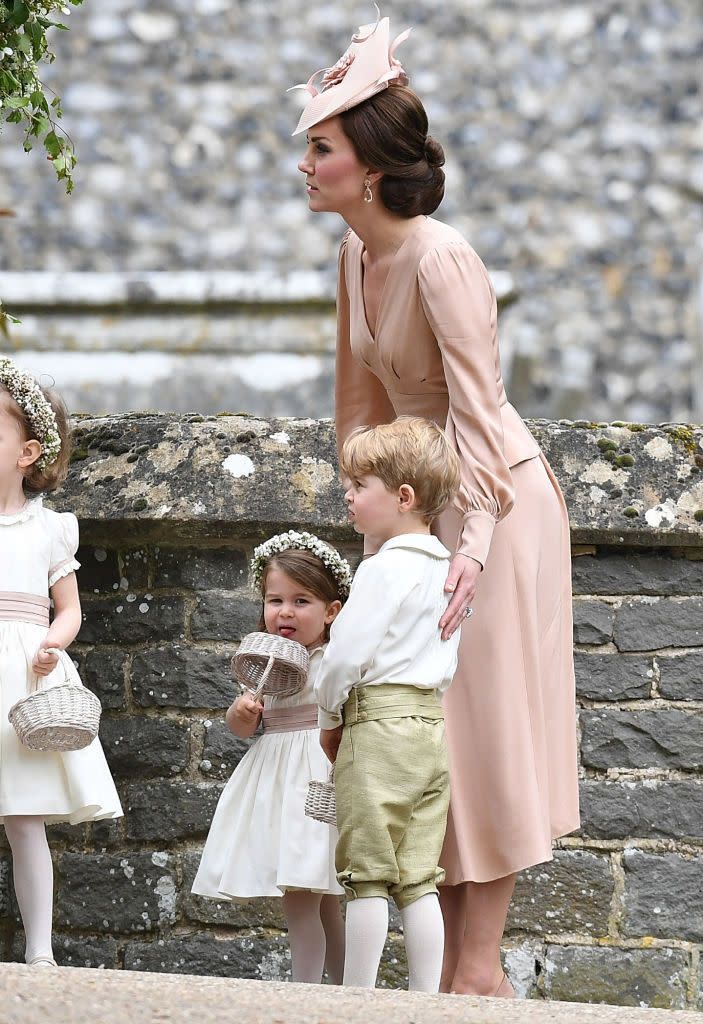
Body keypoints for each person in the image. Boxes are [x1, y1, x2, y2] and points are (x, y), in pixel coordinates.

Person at [291, 9, 580, 997]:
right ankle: (451, 959)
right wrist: (375, 524)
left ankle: (475, 964)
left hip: (496, 501)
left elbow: (479, 407)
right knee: (415, 714)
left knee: (480, 716)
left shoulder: (440, 257)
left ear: (366, 167)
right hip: (422, 501)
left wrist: (471, 543)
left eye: (318, 148)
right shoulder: (351, 257)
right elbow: (357, 404)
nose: (304, 163)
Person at [315, 416, 463, 994]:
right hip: (430, 725)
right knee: (420, 876)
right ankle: (427, 999)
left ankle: (359, 997)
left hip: (377, 725)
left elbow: (344, 656)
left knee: (368, 875)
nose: (348, 496)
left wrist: (330, 718)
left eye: (358, 486)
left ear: (403, 498)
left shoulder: (382, 568)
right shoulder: (450, 573)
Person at [0, 358, 123, 968]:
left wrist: (54, 643)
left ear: (27, 452)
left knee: (25, 816)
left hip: (23, 671)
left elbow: (68, 608)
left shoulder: (49, 529)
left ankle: (39, 948)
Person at [192, 531, 352, 984]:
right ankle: (339, 993)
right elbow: (243, 728)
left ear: (331, 611)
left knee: (312, 896)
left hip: (316, 782)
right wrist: (241, 712)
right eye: (274, 599)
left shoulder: (331, 660)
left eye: (301, 601)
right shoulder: (265, 662)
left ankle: (316, 994)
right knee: (310, 896)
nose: (284, 612)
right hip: (277, 782)